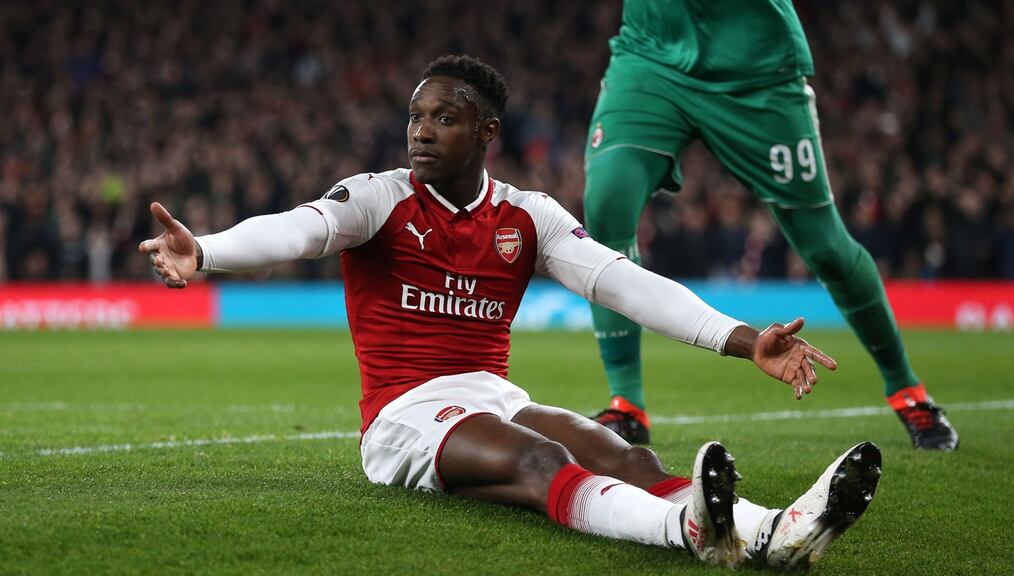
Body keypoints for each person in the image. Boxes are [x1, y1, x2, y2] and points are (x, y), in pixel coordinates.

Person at [140, 55, 881, 570]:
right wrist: (204, 251)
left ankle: (774, 535)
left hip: (493, 396)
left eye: (444, 118)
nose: (421, 131)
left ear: (486, 133)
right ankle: (685, 529)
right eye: (416, 116)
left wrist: (746, 339)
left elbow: (626, 283)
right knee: (539, 463)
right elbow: (296, 230)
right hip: (403, 417)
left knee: (629, 457)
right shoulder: (378, 197)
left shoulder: (528, 217)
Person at [583, 0, 958, 450]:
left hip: (756, 67)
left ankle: (907, 390)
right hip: (650, 55)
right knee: (606, 206)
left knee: (824, 246)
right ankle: (627, 405)